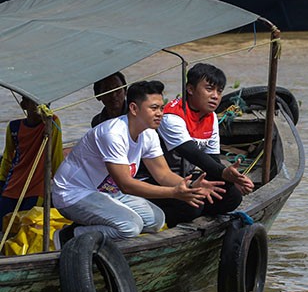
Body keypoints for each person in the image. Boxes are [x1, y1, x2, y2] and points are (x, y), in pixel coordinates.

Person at [52, 80, 225, 248]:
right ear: (134, 109)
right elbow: (126, 185)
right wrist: (174, 193)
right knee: (130, 227)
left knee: (157, 220)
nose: (160, 113)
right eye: (154, 108)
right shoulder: (113, 134)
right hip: (74, 193)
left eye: (161, 108)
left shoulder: (149, 133)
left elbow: (163, 174)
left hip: (107, 191)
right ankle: (69, 236)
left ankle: (89, 224)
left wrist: (191, 186)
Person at [153, 62, 253, 228]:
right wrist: (224, 173)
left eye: (219, 91)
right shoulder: (172, 117)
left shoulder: (211, 116)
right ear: (190, 89)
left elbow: (212, 159)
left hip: (188, 178)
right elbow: (193, 154)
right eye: (209, 89)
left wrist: (232, 178)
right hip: (162, 180)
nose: (215, 96)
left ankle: (198, 211)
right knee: (193, 207)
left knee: (232, 196)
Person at [0, 96, 64, 227]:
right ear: (24, 105)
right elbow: (7, 158)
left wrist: (62, 185)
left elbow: (56, 156)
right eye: (33, 101)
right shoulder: (14, 127)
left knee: (26, 225)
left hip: (36, 187)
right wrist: (1, 181)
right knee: (4, 224)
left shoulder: (51, 123)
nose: (39, 105)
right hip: (13, 184)